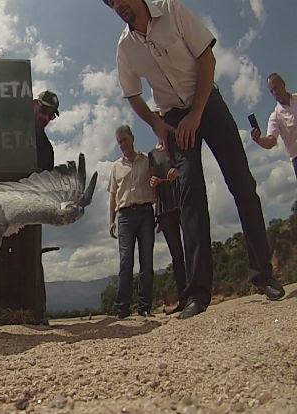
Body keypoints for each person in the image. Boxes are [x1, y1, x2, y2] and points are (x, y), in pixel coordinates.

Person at [103, 0, 285, 319]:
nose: (117, 5)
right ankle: (198, 293)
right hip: (172, 118)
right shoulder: (125, 47)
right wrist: (159, 125)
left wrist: (197, 113)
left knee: (242, 184)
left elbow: (206, 57)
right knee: (190, 199)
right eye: (109, 2)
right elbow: (132, 93)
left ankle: (264, 276)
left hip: (207, 102)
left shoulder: (171, 9)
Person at [108, 125, 155, 318]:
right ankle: (123, 308)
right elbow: (112, 196)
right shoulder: (116, 166)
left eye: (125, 140)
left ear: (133, 138)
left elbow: (155, 185)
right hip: (125, 216)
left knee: (147, 261)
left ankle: (144, 307)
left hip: (145, 212)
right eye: (119, 142)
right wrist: (111, 221)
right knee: (126, 262)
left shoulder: (146, 160)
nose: (122, 145)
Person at [148, 143, 186, 314]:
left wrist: (178, 171)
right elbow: (152, 180)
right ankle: (183, 298)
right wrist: (153, 182)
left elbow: (189, 166)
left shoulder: (177, 145)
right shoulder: (152, 154)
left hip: (182, 199)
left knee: (193, 247)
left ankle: (199, 292)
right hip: (165, 206)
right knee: (176, 255)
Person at [251, 73, 297, 179]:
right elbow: (271, 141)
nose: (275, 93)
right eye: (271, 91)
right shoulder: (275, 117)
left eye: (275, 88)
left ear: (283, 84)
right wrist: (258, 140)